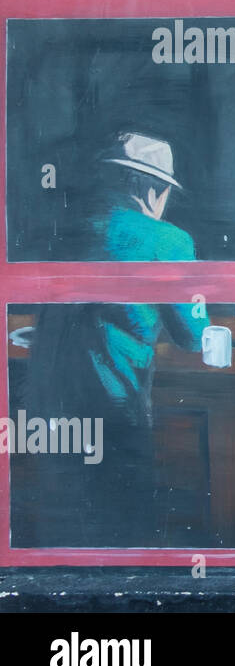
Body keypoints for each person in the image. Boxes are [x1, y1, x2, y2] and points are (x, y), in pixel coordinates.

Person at [12, 132, 210, 546]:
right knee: (125, 512)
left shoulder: (66, 230)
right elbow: (193, 337)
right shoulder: (169, 241)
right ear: (154, 190)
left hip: (46, 398)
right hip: (116, 398)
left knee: (63, 510)